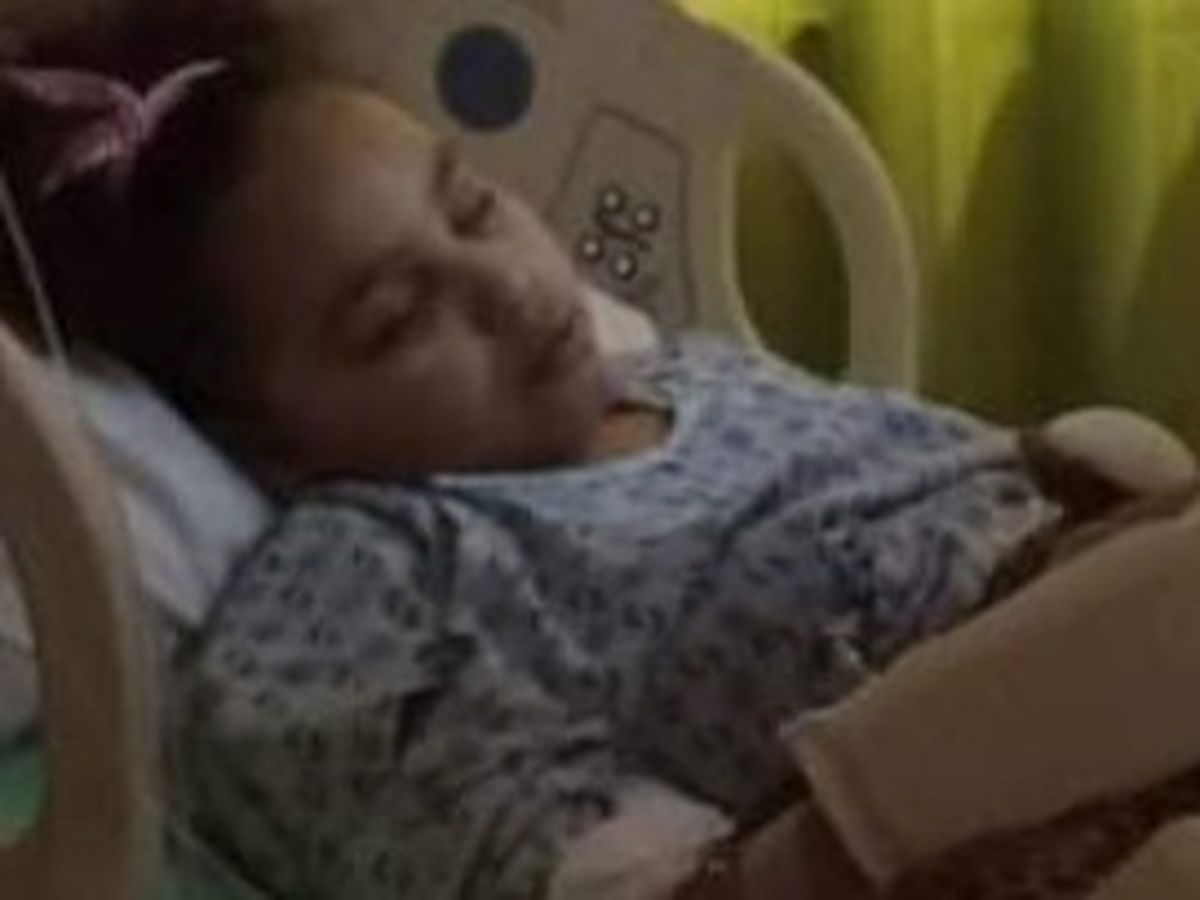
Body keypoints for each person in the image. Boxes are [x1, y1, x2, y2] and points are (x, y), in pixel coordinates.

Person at [0, 59, 1169, 899]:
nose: (511, 290)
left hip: (1114, 603)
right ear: (274, 443)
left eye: (474, 210)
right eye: (398, 318)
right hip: (956, 814)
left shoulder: (702, 372)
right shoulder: (361, 573)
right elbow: (462, 821)